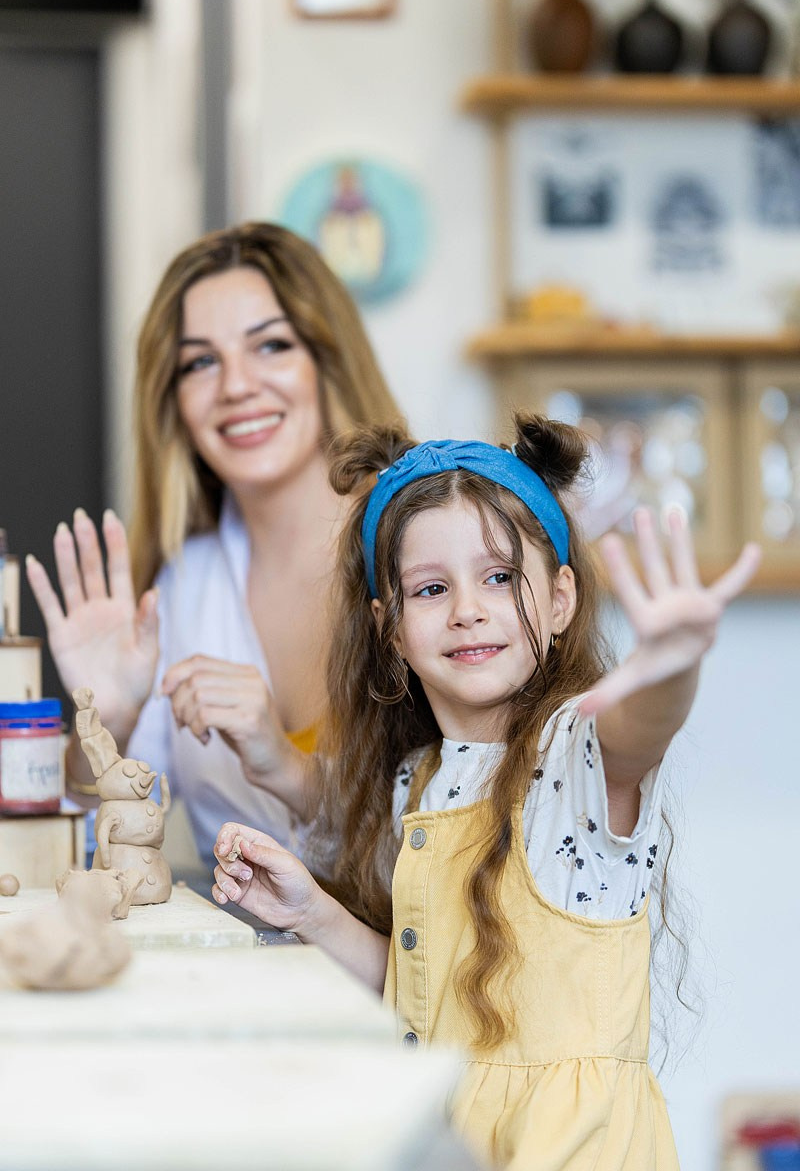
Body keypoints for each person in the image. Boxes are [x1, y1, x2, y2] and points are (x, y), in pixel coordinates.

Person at [210, 413, 761, 1170]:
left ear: (560, 598)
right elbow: (422, 993)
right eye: (431, 588)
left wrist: (672, 667)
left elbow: (641, 733)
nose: (468, 608)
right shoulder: (422, 779)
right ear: (390, 629)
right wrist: (312, 913)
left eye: (500, 577)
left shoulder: (574, 755)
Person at [25, 221, 401, 866]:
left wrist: (287, 767)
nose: (235, 386)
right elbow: (94, 848)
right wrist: (107, 726)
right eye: (200, 362)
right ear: (173, 403)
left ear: (327, 360)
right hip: (236, 969)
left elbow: (473, 840)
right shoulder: (180, 586)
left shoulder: (424, 552)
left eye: (272, 346)